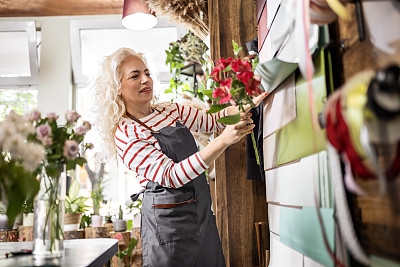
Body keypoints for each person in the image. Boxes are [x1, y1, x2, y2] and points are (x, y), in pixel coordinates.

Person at [91, 48, 267, 267]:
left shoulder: (167, 110)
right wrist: (222, 141)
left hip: (200, 217)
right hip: (169, 229)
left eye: (147, 73)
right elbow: (171, 176)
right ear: (117, 88)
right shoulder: (126, 133)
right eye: (135, 76)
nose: (146, 79)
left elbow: (211, 120)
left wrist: (245, 106)